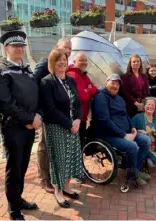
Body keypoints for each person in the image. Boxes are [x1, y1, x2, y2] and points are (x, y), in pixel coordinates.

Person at [0, 30, 41, 220]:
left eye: (21, 46)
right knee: (14, 168)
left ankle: (18, 198)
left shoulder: (27, 70)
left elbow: (37, 97)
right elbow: (5, 103)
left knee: (24, 165)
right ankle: (13, 208)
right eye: (15, 45)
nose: (19, 48)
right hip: (13, 129)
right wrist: (30, 119)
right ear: (5, 48)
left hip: (29, 127)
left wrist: (38, 116)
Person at [39, 49, 84, 208]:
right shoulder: (47, 82)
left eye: (64, 59)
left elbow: (78, 103)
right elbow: (50, 109)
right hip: (56, 127)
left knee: (70, 157)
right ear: (52, 62)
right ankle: (58, 191)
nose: (62, 62)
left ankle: (66, 186)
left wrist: (78, 119)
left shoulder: (71, 80)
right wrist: (69, 123)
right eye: (58, 59)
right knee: (59, 159)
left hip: (73, 126)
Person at [91, 74, 151, 185]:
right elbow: (105, 121)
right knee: (132, 146)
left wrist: (133, 128)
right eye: (113, 83)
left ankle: (135, 170)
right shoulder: (101, 98)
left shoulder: (119, 99)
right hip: (108, 134)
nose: (115, 86)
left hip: (125, 132)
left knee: (146, 140)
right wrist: (124, 135)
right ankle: (132, 176)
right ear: (106, 82)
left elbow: (126, 115)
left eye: (117, 84)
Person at [34, 38, 72, 193]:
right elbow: (33, 84)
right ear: (56, 47)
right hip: (45, 113)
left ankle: (55, 177)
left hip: (59, 115)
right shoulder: (45, 62)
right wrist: (38, 111)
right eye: (65, 47)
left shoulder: (63, 64)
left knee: (54, 147)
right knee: (44, 145)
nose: (68, 51)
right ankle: (44, 179)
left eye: (70, 49)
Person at [66, 52, 98, 146]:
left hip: (82, 116)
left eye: (85, 60)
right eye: (81, 60)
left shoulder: (83, 74)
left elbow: (94, 88)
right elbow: (82, 96)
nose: (84, 62)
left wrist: (88, 89)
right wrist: (89, 89)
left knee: (80, 144)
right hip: (75, 117)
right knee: (75, 145)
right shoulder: (72, 74)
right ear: (75, 61)